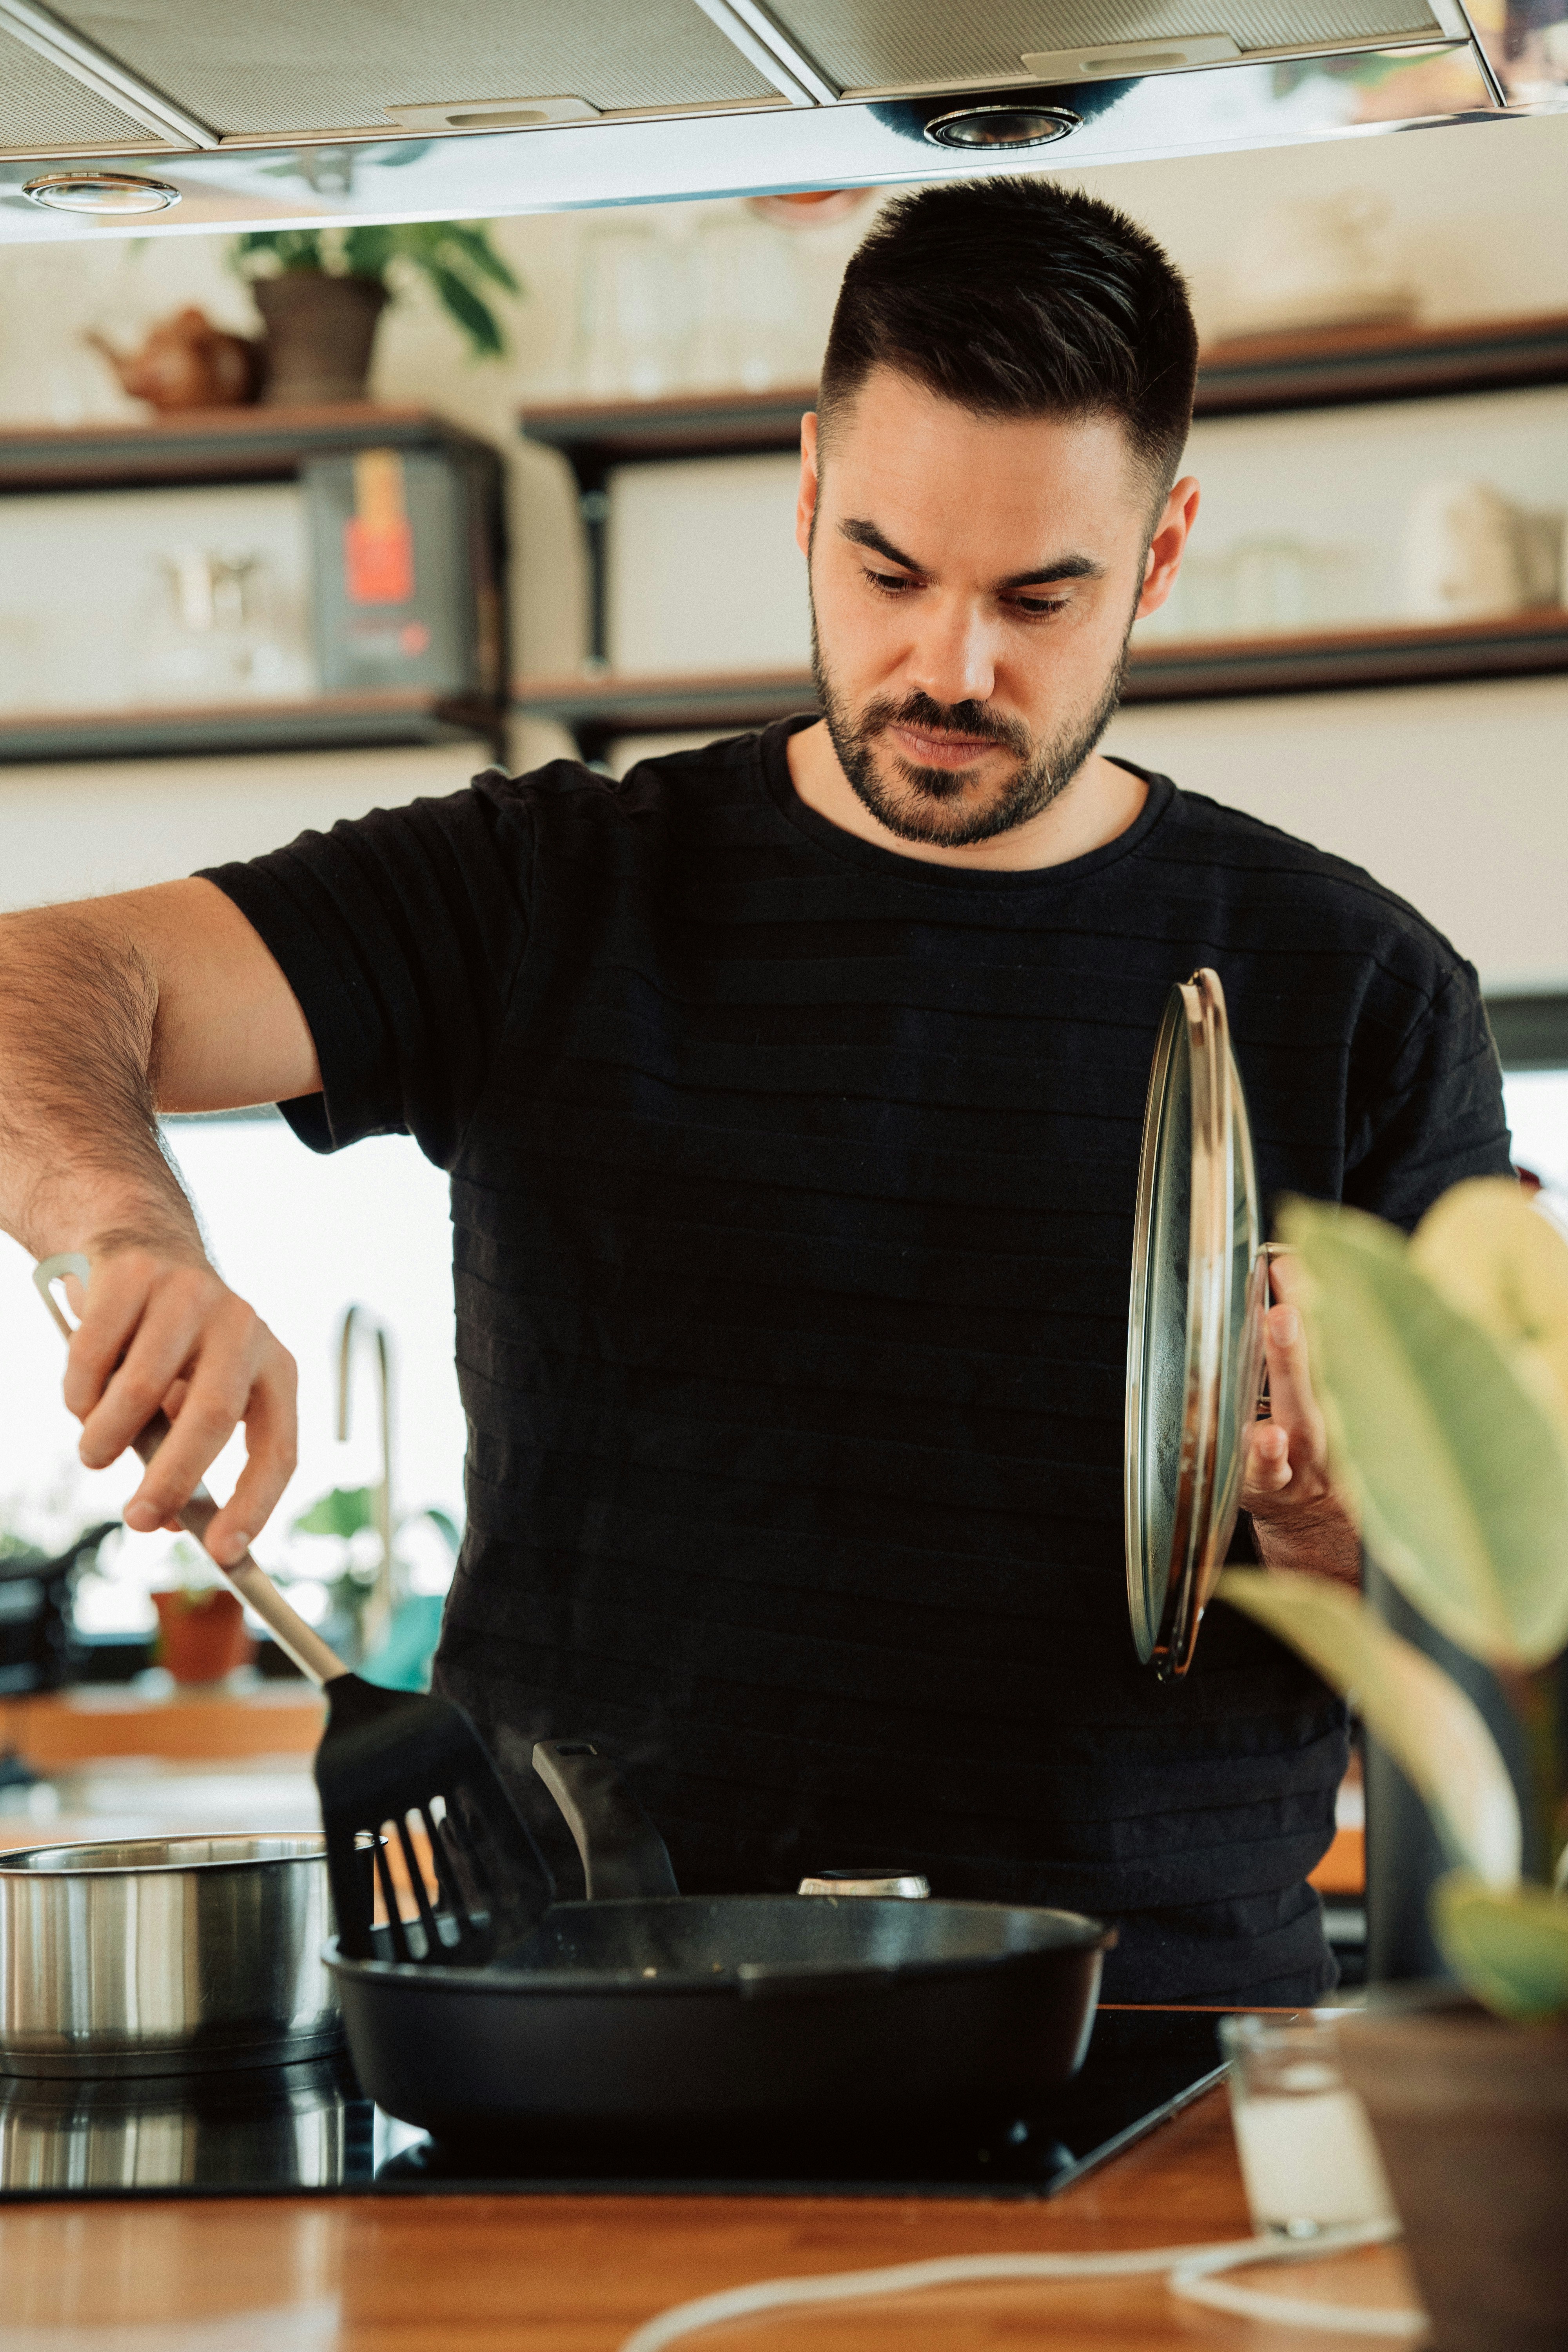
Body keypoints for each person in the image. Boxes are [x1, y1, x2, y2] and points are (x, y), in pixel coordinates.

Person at [0, 179, 1511, 2003]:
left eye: (1041, 596)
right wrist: (128, 1231)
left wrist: (1341, 1545)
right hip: (588, 2032)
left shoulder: (1357, 989)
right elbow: (46, 977)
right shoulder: (553, 886)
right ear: (805, 494)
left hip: (1159, 2056)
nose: (951, 666)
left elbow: (1496, 1685)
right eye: (888, 573)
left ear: (1164, 550)